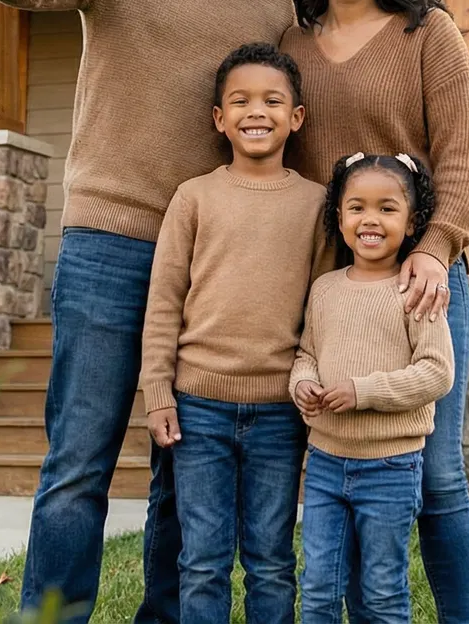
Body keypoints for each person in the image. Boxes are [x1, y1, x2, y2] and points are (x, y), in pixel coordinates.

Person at [0, 0, 298, 624]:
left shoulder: (273, 6)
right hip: (107, 245)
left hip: (210, 265)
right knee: (80, 463)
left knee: (179, 472)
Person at [280, 0, 469, 623]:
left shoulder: (428, 31)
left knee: (434, 478)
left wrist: (434, 250)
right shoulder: (291, 42)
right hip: (332, 295)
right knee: (335, 477)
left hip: (419, 288)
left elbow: (462, 160)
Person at [138, 42, 329, 624]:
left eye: (273, 101)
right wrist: (158, 393)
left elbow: (324, 307)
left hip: (280, 410)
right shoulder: (193, 197)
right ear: (219, 118)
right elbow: (165, 300)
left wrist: (312, 379)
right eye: (240, 100)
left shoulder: (318, 203)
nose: (257, 111)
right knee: (202, 559)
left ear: (296, 118)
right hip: (198, 409)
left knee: (271, 559)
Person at [292, 152, 455, 624]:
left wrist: (364, 391)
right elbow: (306, 354)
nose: (371, 219)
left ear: (412, 222)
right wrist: (303, 383)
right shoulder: (324, 289)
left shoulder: (415, 290)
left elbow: (436, 372)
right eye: (357, 207)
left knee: (382, 592)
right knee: (319, 587)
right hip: (324, 464)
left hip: (390, 467)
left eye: (387, 208)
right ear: (339, 217)